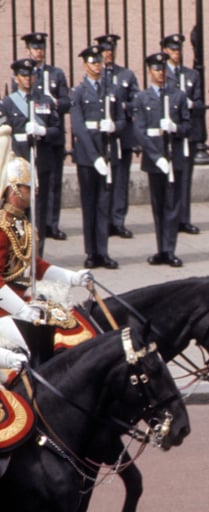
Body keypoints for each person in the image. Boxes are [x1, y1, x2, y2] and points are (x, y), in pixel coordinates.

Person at [0, 154, 91, 365]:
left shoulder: (23, 224)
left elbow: (36, 267)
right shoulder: (1, 228)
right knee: (35, 345)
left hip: (22, 302)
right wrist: (21, 310)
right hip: (4, 309)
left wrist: (74, 278)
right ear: (13, 189)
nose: (34, 192)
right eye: (27, 188)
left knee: (69, 323)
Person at [133, 52, 191, 268]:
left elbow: (188, 126)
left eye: (162, 69)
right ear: (149, 71)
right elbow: (139, 131)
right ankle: (161, 249)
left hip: (174, 158)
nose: (160, 73)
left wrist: (175, 128)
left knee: (173, 206)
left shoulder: (178, 96)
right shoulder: (142, 97)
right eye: (156, 69)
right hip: (154, 159)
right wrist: (156, 157)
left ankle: (170, 249)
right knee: (158, 206)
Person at [0, 58, 62, 257]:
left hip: (40, 163)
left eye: (31, 75)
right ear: (16, 78)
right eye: (24, 76)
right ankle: (16, 257)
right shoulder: (8, 103)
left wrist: (43, 131)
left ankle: (37, 259)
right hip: (18, 167)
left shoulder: (44, 100)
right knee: (16, 214)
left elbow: (57, 130)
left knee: (39, 214)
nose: (28, 79)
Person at [70, 44, 120, 269]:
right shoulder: (79, 92)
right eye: (92, 62)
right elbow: (78, 127)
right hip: (87, 157)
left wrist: (114, 126)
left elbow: (122, 120)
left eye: (99, 62)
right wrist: (94, 157)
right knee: (89, 204)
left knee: (104, 204)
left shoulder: (110, 90)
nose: (96, 66)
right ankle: (91, 252)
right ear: (84, 65)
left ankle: (103, 251)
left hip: (107, 153)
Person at [22, 31, 70, 243]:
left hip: (53, 135)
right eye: (35, 48)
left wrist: (55, 103)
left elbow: (67, 102)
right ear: (28, 50)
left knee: (54, 182)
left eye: (41, 48)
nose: (38, 52)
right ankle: (35, 222)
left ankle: (52, 223)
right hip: (32, 140)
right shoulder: (23, 74)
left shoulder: (56, 74)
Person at [95, 34, 138, 241]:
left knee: (121, 180)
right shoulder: (96, 76)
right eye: (104, 49)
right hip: (102, 138)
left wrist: (122, 108)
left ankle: (118, 221)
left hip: (121, 135)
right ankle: (103, 221)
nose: (108, 53)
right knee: (104, 181)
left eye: (111, 49)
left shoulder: (126, 75)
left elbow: (136, 101)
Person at [162, 33, 204, 237]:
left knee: (185, 178)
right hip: (169, 132)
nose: (176, 53)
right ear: (165, 51)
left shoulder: (191, 75)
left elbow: (201, 102)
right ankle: (169, 216)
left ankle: (184, 218)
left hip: (187, 132)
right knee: (170, 179)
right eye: (173, 49)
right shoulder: (161, 74)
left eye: (179, 49)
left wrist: (192, 104)